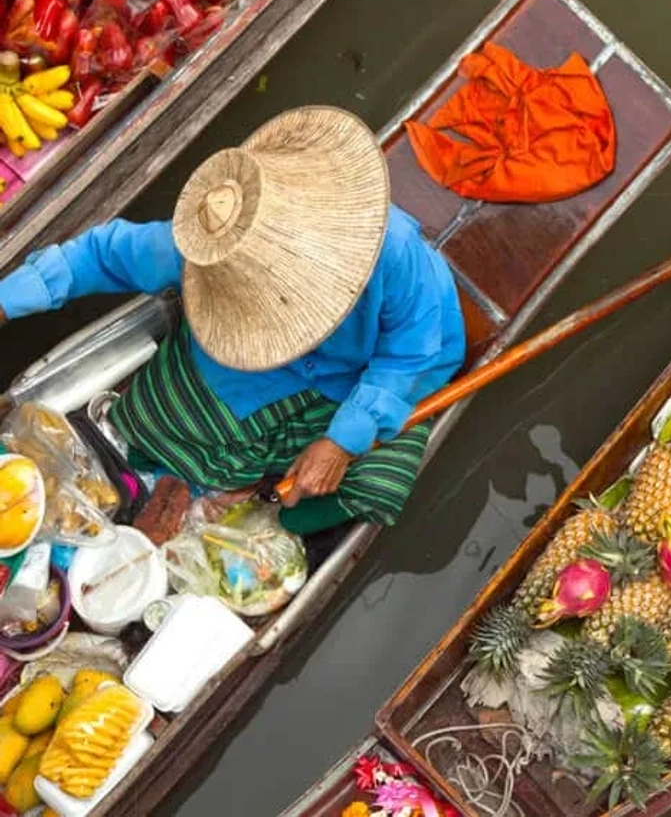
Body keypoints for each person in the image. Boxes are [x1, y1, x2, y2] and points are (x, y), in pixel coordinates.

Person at [0, 106, 466, 535]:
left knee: (370, 485)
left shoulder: (392, 251)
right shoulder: (212, 249)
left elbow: (410, 355)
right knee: (158, 416)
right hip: (263, 359)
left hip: (368, 373)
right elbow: (98, 257)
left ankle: (260, 500)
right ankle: (188, 476)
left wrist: (343, 441)